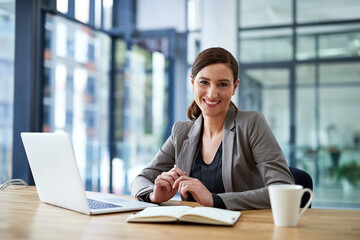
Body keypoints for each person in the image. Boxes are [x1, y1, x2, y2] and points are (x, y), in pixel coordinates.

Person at [131, 47, 294, 210]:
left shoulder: (251, 124)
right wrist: (152, 195)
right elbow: (141, 179)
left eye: (222, 84)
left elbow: (284, 190)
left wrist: (214, 200)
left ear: (234, 87)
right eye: (204, 82)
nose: (212, 94)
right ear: (193, 82)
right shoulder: (181, 132)